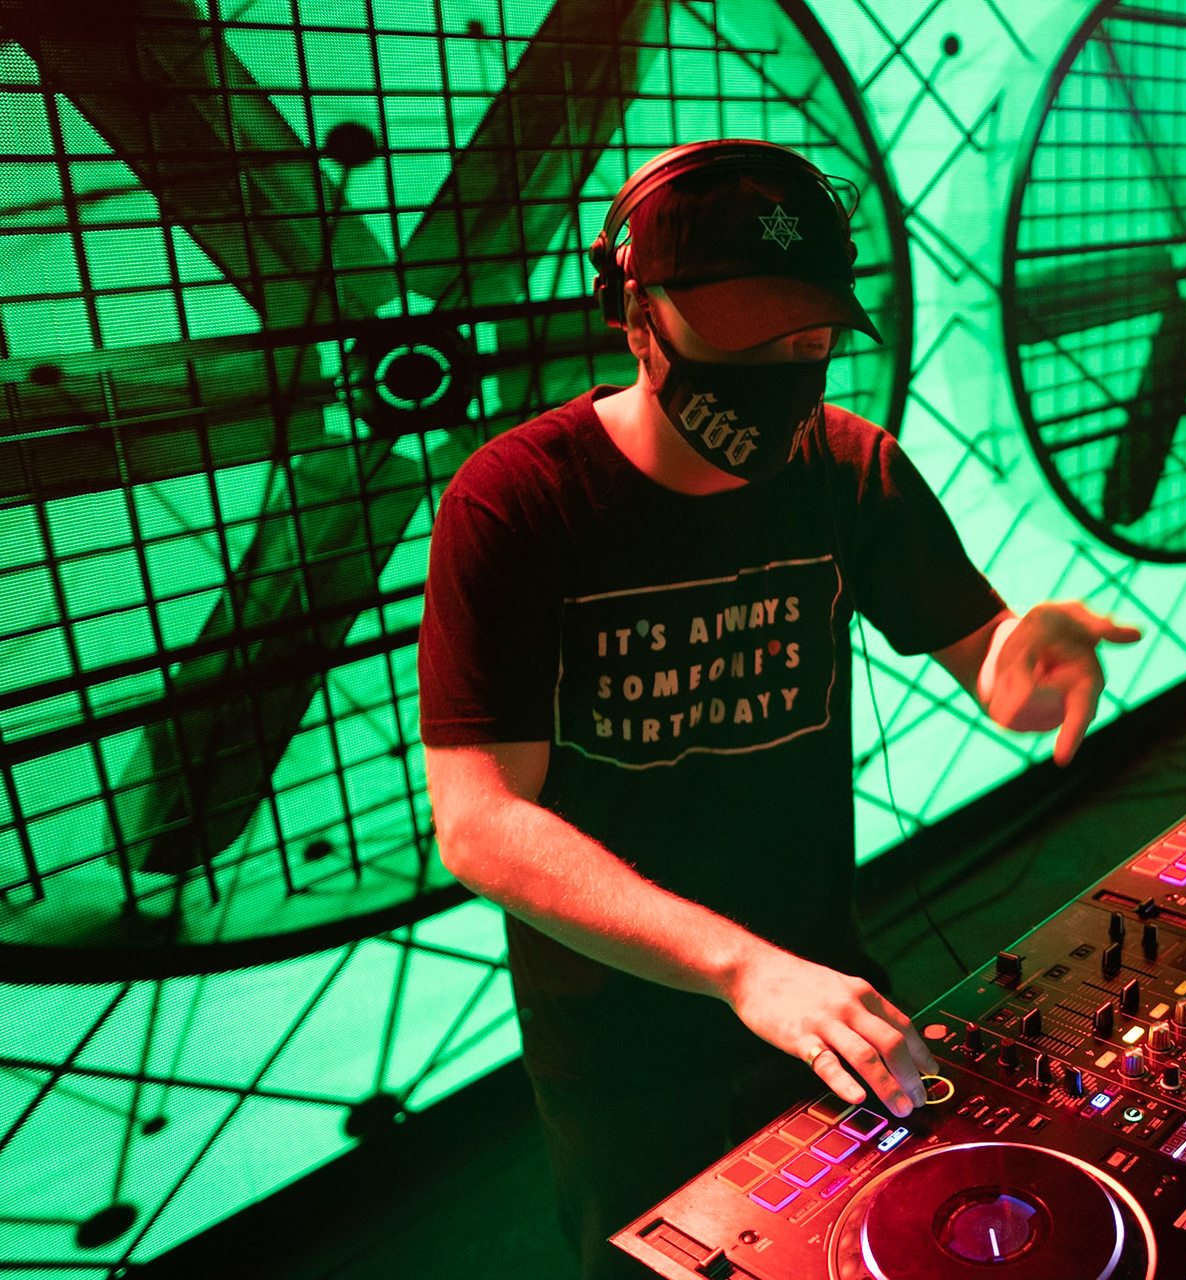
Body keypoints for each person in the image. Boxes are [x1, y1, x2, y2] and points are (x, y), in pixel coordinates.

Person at [414, 139, 1140, 1277]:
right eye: (742, 337)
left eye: (806, 342)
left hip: (825, 995)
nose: (782, 370)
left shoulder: (848, 466)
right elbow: (480, 821)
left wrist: (1024, 661)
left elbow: (997, 675)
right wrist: (740, 966)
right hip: (620, 1034)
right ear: (636, 316)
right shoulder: (515, 501)